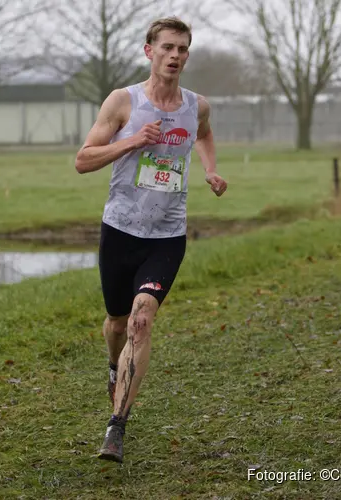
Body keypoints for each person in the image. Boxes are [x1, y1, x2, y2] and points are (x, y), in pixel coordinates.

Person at [74, 16, 227, 463]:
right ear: (149, 51)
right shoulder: (123, 102)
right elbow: (83, 161)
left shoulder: (196, 105)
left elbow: (205, 133)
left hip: (167, 234)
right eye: (167, 48)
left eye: (182, 49)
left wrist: (210, 169)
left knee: (142, 318)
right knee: (118, 322)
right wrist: (132, 141)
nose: (175, 56)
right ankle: (112, 363)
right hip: (120, 229)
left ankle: (116, 426)